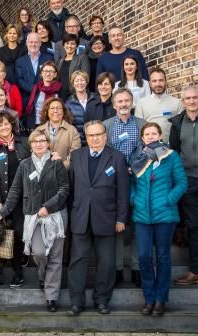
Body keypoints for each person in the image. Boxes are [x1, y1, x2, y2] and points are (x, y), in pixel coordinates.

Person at [0, 129, 69, 313]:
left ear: (48, 143)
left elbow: (64, 188)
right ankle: (42, 277)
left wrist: (48, 207)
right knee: (39, 253)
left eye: (42, 141)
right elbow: (15, 191)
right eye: (35, 141)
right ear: (31, 145)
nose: (39, 144)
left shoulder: (56, 163)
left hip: (56, 215)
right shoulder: (25, 165)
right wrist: (3, 211)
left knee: (56, 258)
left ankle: (51, 296)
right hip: (33, 217)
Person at [67, 120, 129, 316]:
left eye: (98, 134)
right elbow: (71, 189)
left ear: (105, 135)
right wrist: (70, 217)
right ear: (86, 137)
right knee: (78, 262)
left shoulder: (117, 157)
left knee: (107, 263)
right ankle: (77, 302)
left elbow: (123, 192)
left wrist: (121, 219)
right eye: (91, 135)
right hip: (80, 218)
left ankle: (102, 300)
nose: (94, 138)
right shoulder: (76, 156)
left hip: (107, 219)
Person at [130, 122, 187, 316]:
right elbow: (132, 184)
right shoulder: (137, 158)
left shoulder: (171, 157)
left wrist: (168, 200)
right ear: (142, 137)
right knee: (144, 258)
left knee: (163, 257)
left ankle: (161, 299)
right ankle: (149, 298)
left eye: (154, 133)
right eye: (147, 134)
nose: (151, 136)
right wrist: (134, 199)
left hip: (165, 215)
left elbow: (181, 183)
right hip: (141, 215)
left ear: (160, 135)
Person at [0, 112, 30, 287]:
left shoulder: (24, 143)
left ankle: (18, 272)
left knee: (18, 234)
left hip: (22, 200)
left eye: (6, 124)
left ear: (12, 124)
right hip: (1, 199)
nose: (3, 127)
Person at [103, 88, 145, 287]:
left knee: (137, 225)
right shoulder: (106, 126)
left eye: (127, 100)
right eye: (120, 101)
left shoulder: (142, 125)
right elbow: (104, 154)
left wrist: (133, 168)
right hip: (114, 183)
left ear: (132, 102)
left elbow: (148, 152)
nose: (123, 104)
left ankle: (137, 268)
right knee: (118, 225)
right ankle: (118, 268)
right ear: (114, 104)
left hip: (138, 181)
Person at [169, 86, 198, 286]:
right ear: (183, 101)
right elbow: (174, 153)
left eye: (195, 97)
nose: (191, 101)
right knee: (195, 227)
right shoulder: (178, 123)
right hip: (189, 181)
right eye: (187, 98)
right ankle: (196, 271)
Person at [135, 68, 183, 143]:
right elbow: (139, 129)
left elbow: (181, 128)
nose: (158, 84)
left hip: (171, 147)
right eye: (154, 81)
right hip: (149, 149)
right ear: (150, 84)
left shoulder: (177, 103)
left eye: (161, 80)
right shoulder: (141, 104)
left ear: (165, 82)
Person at [36, 97, 81, 168]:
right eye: (52, 108)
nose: (55, 111)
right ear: (47, 111)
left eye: (58, 108)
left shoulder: (72, 130)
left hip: (64, 173)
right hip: (43, 172)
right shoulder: (39, 130)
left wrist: (61, 167)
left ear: (63, 111)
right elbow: (33, 151)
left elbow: (75, 155)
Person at [15, 33, 53, 107]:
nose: (33, 44)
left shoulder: (49, 58)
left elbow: (52, 75)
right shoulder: (19, 61)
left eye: (36, 42)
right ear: (27, 43)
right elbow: (19, 80)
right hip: (27, 99)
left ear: (40, 43)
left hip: (46, 97)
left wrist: (43, 91)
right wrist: (34, 90)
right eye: (31, 42)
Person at [25, 62, 62, 129]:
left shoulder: (60, 89)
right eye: (45, 71)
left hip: (55, 126)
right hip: (37, 125)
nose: (48, 74)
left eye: (51, 71)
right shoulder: (36, 88)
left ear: (55, 74)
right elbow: (31, 109)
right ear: (41, 73)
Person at [56, 33, 90, 101]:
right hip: (61, 95)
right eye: (67, 43)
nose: (70, 46)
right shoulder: (60, 61)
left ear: (76, 46)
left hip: (77, 95)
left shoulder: (82, 58)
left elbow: (86, 77)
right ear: (63, 45)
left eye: (73, 44)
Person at [65, 70, 95, 145]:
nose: (80, 83)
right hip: (77, 141)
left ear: (86, 82)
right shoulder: (68, 103)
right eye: (77, 81)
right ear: (73, 84)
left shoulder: (95, 98)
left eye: (82, 80)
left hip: (95, 138)